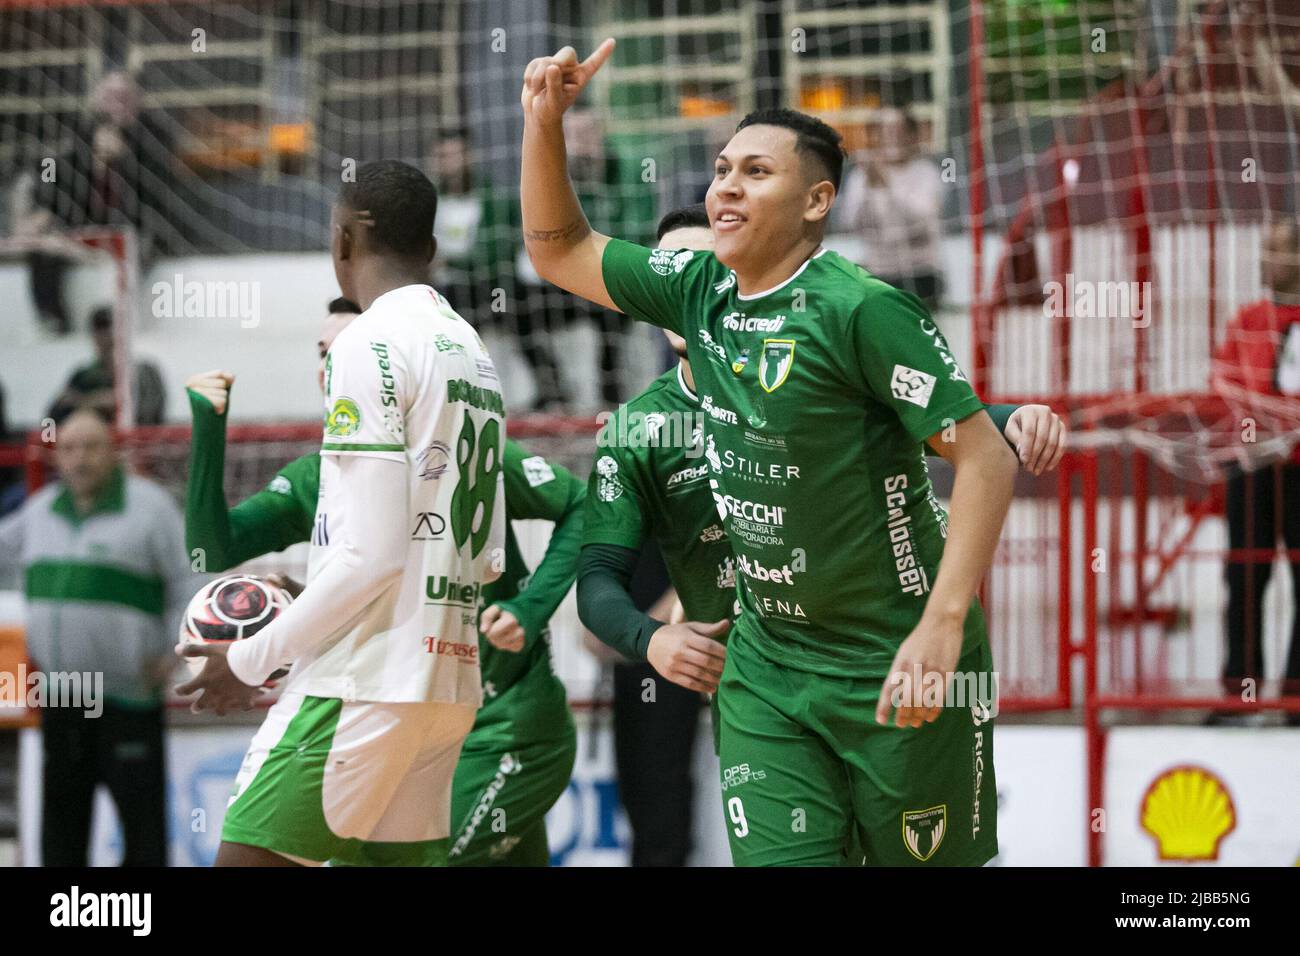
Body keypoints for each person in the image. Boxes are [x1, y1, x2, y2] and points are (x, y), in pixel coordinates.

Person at [521, 42, 1019, 866]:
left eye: (756, 172)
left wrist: (940, 628)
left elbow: (987, 458)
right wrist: (544, 125)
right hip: (769, 667)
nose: (726, 186)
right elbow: (557, 248)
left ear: (818, 200)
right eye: (722, 169)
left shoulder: (862, 309)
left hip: (896, 656)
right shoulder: (696, 288)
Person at [578, 203, 1067, 863]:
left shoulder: (813, 365)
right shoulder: (638, 429)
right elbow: (594, 592)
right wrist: (652, 635)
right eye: (670, 268)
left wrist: (1011, 418)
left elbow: (922, 422)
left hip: (865, 657)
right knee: (662, 828)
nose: (687, 279)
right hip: (740, 671)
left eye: (703, 262)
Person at [177, 159, 507, 867]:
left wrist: (248, 657)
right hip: (445, 682)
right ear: (432, 248)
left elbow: (373, 555)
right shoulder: (473, 351)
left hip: (363, 683)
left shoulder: (369, 341)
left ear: (344, 241)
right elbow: (481, 552)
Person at [183, 295, 583, 866]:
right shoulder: (318, 475)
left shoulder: (467, 447)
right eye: (323, 353)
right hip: (410, 714)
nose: (331, 366)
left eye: (341, 349)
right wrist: (208, 425)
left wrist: (530, 607)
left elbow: (585, 505)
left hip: (497, 721)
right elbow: (210, 549)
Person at [0, 405, 190, 865]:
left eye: (90, 447)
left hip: (129, 697)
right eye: (68, 449)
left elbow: (191, 581)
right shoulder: (41, 512)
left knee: (142, 829)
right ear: (56, 457)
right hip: (63, 697)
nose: (79, 459)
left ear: (114, 452)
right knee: (62, 829)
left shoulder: (152, 509)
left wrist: (177, 653)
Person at [1211, 217, 1300, 722]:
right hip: (1253, 468)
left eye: (1276, 249)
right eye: (1264, 248)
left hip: (1298, 470)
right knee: (1244, 578)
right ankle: (1237, 698)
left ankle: (1294, 699)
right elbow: (1223, 381)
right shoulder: (1247, 319)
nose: (1265, 258)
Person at [17, 71, 176, 335]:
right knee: (44, 249)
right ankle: (52, 321)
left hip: (132, 229)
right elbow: (56, 184)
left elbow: (159, 195)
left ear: (137, 102)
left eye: (124, 97)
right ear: (97, 100)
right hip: (86, 230)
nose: (117, 104)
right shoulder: (77, 146)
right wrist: (42, 214)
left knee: (137, 248)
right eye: (110, 96)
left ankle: (121, 321)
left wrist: (124, 160)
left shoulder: (153, 142)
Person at [835, 106, 944, 310]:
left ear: (912, 135)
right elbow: (849, 223)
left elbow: (921, 221)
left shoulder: (927, 173)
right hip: (877, 273)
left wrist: (886, 185)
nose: (891, 137)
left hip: (920, 274)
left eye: (898, 130)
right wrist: (869, 189)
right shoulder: (861, 176)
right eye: (882, 130)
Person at [48, 306, 168, 425]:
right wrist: (96, 402)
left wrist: (115, 402)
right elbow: (55, 418)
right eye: (100, 329)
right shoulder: (82, 377)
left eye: (112, 327)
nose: (108, 335)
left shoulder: (146, 373)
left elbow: (151, 413)